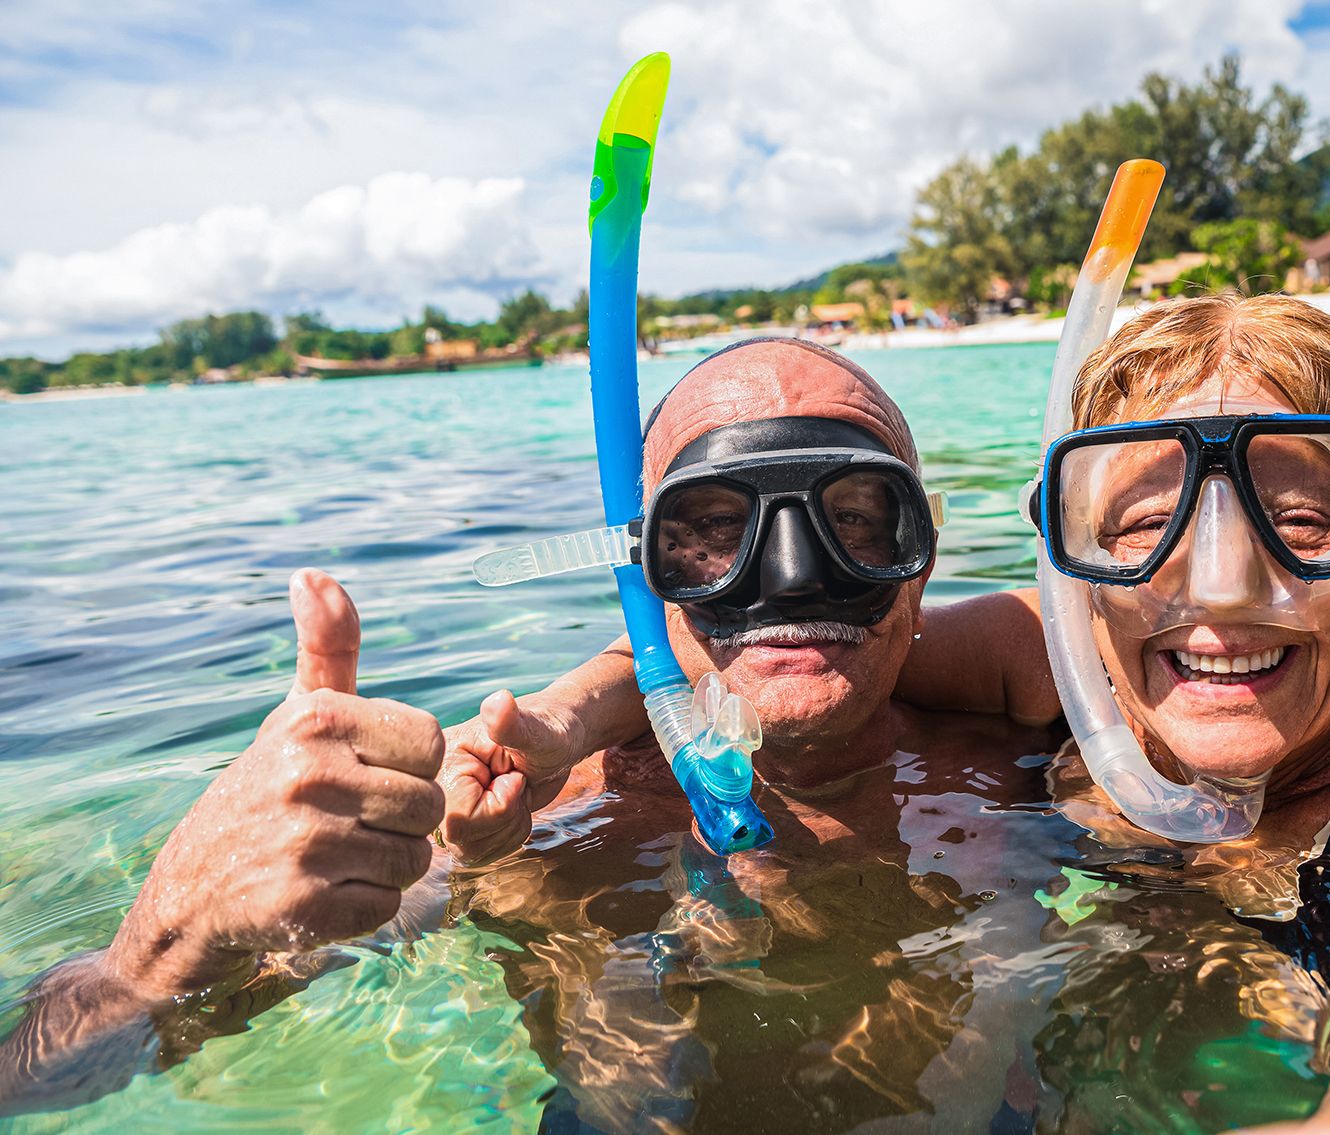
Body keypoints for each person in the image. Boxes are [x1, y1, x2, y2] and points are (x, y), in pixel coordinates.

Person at [0, 339, 1060, 1132]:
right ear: (641, 569)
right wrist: (160, 951)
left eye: (860, 519)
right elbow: (41, 1085)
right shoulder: (525, 813)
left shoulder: (1035, 749)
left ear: (922, 556)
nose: (793, 576)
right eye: (714, 530)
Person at [894, 293, 1330, 1133]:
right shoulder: (1053, 654)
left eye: (1301, 521)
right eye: (1150, 523)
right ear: (1070, 555)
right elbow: (818, 667)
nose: (1221, 587)